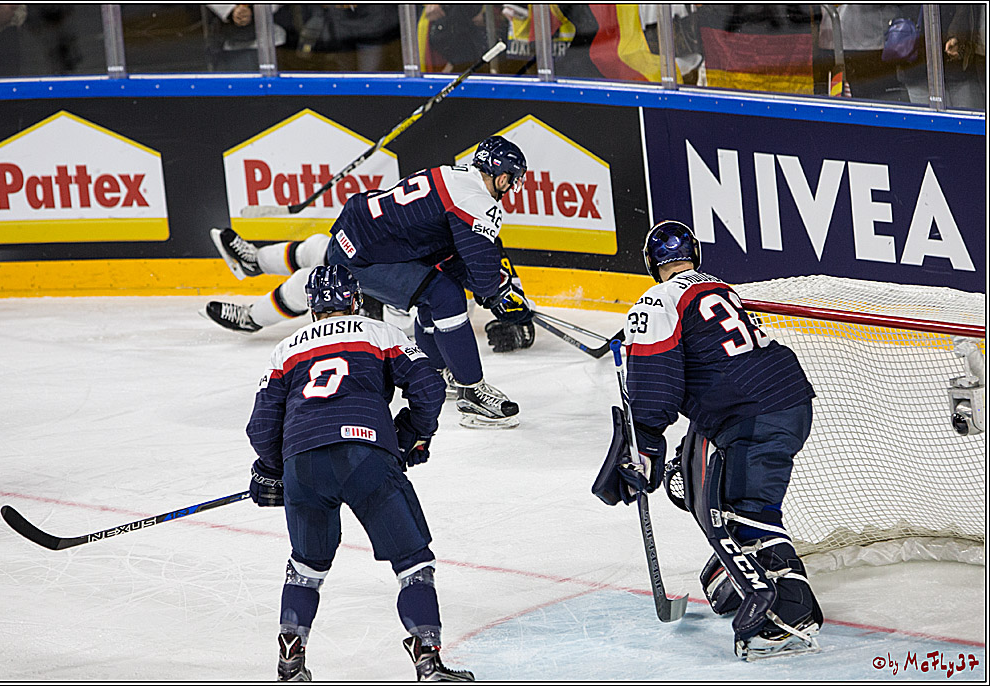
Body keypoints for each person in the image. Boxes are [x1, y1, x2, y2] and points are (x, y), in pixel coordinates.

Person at [593, 220, 823, 660]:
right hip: (783, 398)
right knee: (730, 498)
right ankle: (741, 580)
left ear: (649, 263)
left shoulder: (656, 299)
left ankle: (788, 618)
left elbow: (657, 384)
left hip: (753, 413)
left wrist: (642, 439)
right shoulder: (716, 287)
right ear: (693, 255)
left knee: (749, 513)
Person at [204, 136, 533, 429]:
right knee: (441, 296)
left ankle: (254, 274)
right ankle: (471, 390)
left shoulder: (451, 174)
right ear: (502, 175)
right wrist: (496, 297)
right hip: (376, 260)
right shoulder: (478, 204)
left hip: (359, 226)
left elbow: (469, 258)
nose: (512, 187)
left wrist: (499, 295)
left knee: (321, 254)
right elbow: (482, 270)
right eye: (512, 180)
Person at [245, 263, 474, 681]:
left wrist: (271, 471)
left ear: (312, 308)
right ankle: (427, 659)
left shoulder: (285, 349)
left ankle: (291, 660)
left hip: (304, 463)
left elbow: (261, 427)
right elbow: (429, 387)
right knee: (413, 563)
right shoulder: (380, 333)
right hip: (366, 456)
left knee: (306, 566)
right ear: (355, 299)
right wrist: (412, 434)